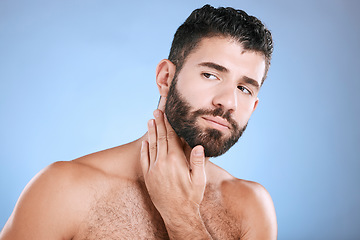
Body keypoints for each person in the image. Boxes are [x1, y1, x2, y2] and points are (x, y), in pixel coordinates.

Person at [0, 4, 277, 239]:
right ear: (165, 78)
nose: (228, 101)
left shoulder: (251, 207)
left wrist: (182, 216)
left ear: (253, 106)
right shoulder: (62, 189)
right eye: (210, 75)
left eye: (244, 88)